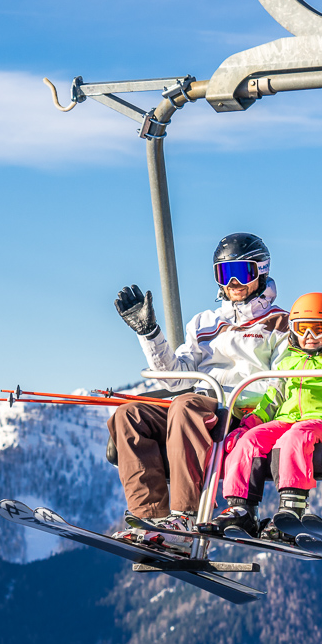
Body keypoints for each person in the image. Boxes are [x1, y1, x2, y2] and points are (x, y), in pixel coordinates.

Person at [109, 232, 288, 548]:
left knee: (186, 405)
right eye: (224, 273)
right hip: (197, 408)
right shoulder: (204, 323)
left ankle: (184, 518)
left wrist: (243, 405)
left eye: (241, 272)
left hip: (239, 412)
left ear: (261, 270)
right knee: (128, 415)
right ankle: (150, 520)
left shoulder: (279, 323)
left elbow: (281, 382)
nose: (232, 282)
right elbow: (174, 379)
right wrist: (150, 334)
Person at [213, 292, 322, 539]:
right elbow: (272, 399)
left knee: (294, 437)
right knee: (251, 440)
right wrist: (249, 424)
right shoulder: (288, 362)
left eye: (318, 330)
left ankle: (292, 508)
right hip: (286, 420)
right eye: (302, 329)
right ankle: (242, 509)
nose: (309, 337)